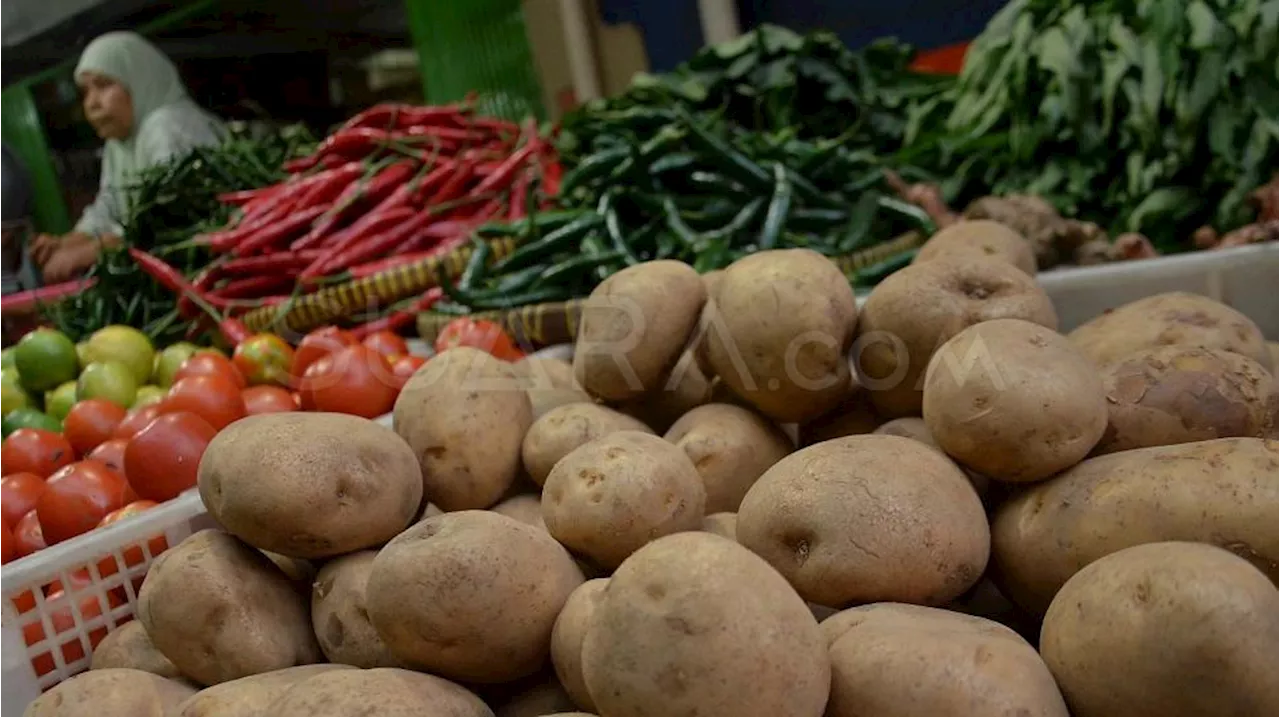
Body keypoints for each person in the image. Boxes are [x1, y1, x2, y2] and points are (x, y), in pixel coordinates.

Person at [32, 31, 226, 283]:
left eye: (103, 85)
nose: (91, 103)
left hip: (217, 272)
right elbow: (109, 207)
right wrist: (67, 242)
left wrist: (87, 253)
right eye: (85, 92)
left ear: (139, 78)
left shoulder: (168, 125)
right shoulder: (120, 144)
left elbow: (168, 220)